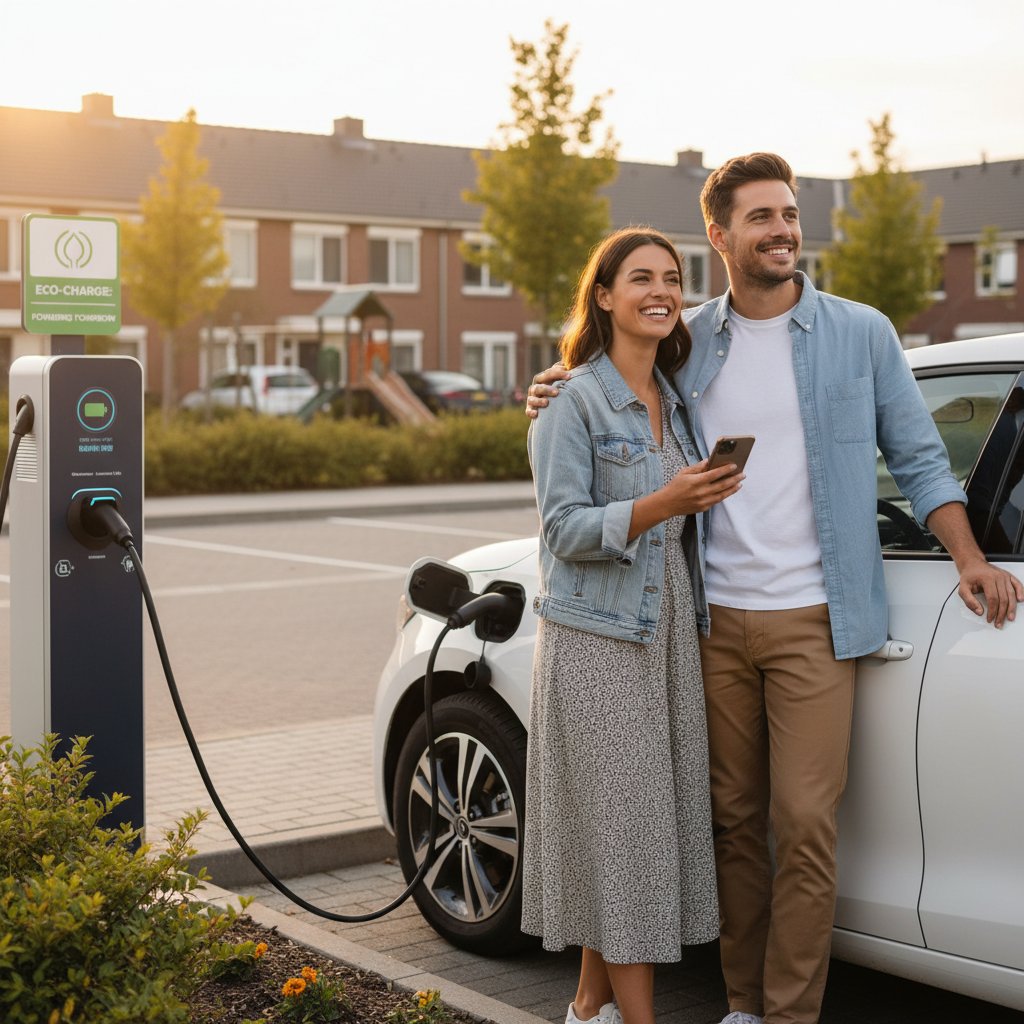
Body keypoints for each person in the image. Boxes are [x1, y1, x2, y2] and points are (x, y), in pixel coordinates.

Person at [527, 153, 1024, 1024]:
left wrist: (969, 556)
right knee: (729, 827)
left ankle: (788, 1014)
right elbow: (619, 399)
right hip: (707, 619)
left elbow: (916, 454)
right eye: (761, 218)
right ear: (721, 235)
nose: (783, 231)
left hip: (816, 620)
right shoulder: (690, 339)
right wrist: (555, 386)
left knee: (803, 826)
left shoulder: (860, 332)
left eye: (790, 215)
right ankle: (743, 1006)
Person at [523, 226, 743, 1024]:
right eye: (640, 277)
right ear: (605, 295)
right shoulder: (570, 399)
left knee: (627, 837)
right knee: (630, 845)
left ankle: (589, 1009)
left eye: (673, 279)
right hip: (599, 643)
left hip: (667, 640)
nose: (660, 290)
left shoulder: (679, 399)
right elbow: (564, 531)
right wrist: (662, 504)